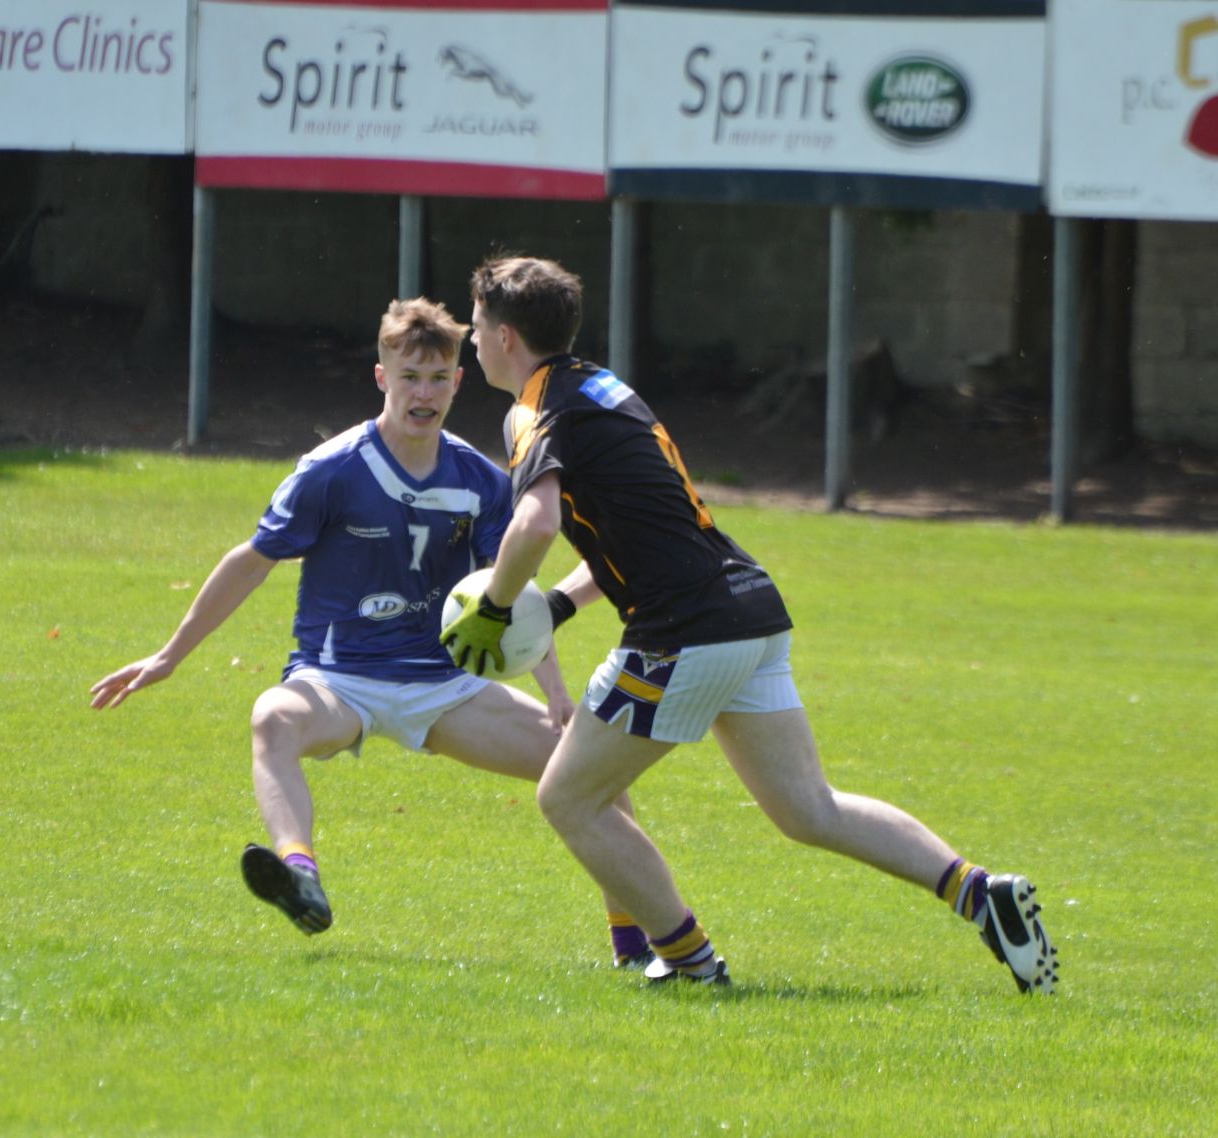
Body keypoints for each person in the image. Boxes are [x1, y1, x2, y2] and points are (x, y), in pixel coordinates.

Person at [442, 255, 1059, 993]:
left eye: (476, 328)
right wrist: (561, 606)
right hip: (749, 608)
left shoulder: (533, 408)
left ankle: (692, 961)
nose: (471, 342)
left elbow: (536, 523)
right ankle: (979, 894)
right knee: (808, 808)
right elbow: (648, 525)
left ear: (507, 336)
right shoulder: (606, 388)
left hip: (684, 632)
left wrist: (500, 606)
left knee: (567, 797)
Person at [90, 296, 652, 967]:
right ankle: (300, 874)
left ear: (457, 382)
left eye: (438, 378)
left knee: (590, 768)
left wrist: (557, 693)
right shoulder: (332, 468)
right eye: (409, 376)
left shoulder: (480, 480)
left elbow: (513, 597)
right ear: (381, 377)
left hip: (445, 688)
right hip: (337, 682)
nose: (424, 393)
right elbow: (251, 563)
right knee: (272, 718)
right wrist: (170, 655)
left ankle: (635, 942)